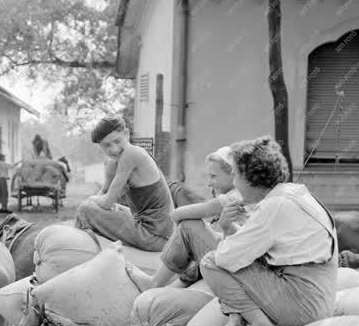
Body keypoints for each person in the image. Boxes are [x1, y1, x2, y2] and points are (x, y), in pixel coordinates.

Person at [199, 136, 338, 326]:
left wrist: (225, 229)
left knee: (211, 261)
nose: (235, 184)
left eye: (236, 175)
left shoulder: (273, 206)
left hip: (302, 305)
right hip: (319, 298)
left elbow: (226, 258)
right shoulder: (295, 193)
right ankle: (241, 320)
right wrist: (231, 230)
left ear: (251, 178)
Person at [137, 146, 251, 289]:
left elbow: (177, 214)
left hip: (236, 263)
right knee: (206, 234)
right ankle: (173, 287)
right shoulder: (243, 194)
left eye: (213, 176)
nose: (209, 182)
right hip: (238, 257)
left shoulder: (233, 197)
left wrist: (182, 225)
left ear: (233, 174)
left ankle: (155, 282)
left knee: (189, 225)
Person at [75, 115, 174, 252]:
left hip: (156, 235)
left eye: (117, 141)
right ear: (100, 145)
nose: (114, 149)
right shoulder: (112, 163)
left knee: (85, 208)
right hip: (143, 225)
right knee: (95, 208)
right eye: (107, 145)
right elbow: (104, 193)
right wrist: (96, 202)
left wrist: (90, 200)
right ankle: (84, 247)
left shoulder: (132, 154)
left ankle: (77, 250)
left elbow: (107, 202)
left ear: (126, 134)